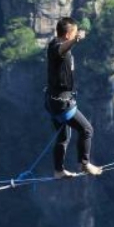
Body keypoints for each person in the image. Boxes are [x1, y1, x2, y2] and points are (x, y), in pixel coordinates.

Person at [45, 17, 103, 178]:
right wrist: (76, 40)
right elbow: (61, 49)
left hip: (53, 101)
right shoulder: (56, 49)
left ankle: (58, 171)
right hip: (61, 103)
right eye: (75, 32)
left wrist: (73, 38)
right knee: (87, 129)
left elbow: (62, 47)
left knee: (63, 137)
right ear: (69, 34)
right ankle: (84, 164)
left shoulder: (53, 43)